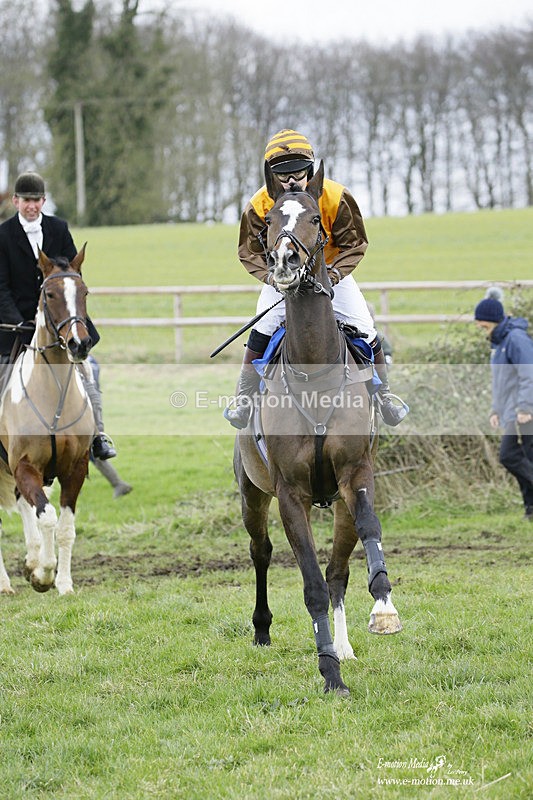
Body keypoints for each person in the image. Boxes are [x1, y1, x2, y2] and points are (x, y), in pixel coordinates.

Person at [224, 128, 409, 430]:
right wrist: (272, 278)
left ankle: (385, 396)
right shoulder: (259, 204)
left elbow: (355, 243)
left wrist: (334, 274)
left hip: (331, 274)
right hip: (282, 276)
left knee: (365, 326)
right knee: (262, 326)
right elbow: (249, 252)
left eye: (298, 172)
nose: (292, 180)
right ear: (272, 177)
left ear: (310, 169)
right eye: (283, 175)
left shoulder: (336, 196)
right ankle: (243, 399)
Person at [0, 171, 116, 460]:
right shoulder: (3, 235)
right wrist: (19, 323)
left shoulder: (59, 228)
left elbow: (74, 276)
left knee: (92, 369)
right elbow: (1, 287)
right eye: (26, 200)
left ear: (44, 200)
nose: (32, 206)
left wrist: (72, 318)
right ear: (15, 201)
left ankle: (98, 436)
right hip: (19, 325)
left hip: (62, 322)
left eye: (37, 200)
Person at [474, 287, 533, 521]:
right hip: (512, 411)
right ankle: (530, 510)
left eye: (482, 323)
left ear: (493, 321)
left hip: (524, 412)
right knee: (526, 459)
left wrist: (526, 408)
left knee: (509, 456)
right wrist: (496, 409)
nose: (479, 327)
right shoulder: (498, 344)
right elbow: (501, 382)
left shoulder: (516, 339)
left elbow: (528, 374)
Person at [87, 356, 132, 498]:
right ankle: (118, 483)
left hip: (87, 408)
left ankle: (118, 483)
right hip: (86, 407)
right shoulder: (91, 360)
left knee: (90, 451)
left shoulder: (87, 362)